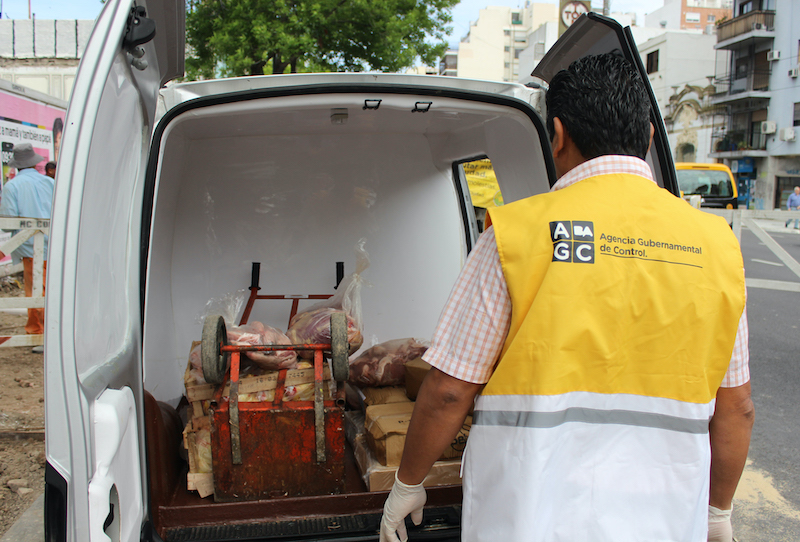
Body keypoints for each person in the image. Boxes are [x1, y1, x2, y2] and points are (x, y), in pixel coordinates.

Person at [380, 53, 754, 542]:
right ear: (645, 138)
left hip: (529, 513)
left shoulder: (517, 233)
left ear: (556, 135)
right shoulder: (717, 244)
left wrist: (408, 483)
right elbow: (737, 408)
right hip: (662, 517)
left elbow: (451, 389)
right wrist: (717, 511)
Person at [0, 143, 54, 353]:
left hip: (30, 247)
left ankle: (38, 334)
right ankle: (54, 331)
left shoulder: (12, 186)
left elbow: (7, 222)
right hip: (54, 244)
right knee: (53, 289)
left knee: (35, 289)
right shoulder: (49, 182)